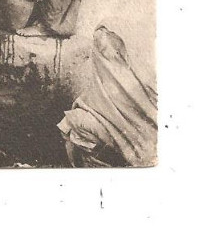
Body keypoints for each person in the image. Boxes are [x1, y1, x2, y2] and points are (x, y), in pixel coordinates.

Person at [57, 26, 157, 167]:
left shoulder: (112, 74)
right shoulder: (140, 74)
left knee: (73, 122)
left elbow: (98, 102)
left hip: (138, 145)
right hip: (147, 143)